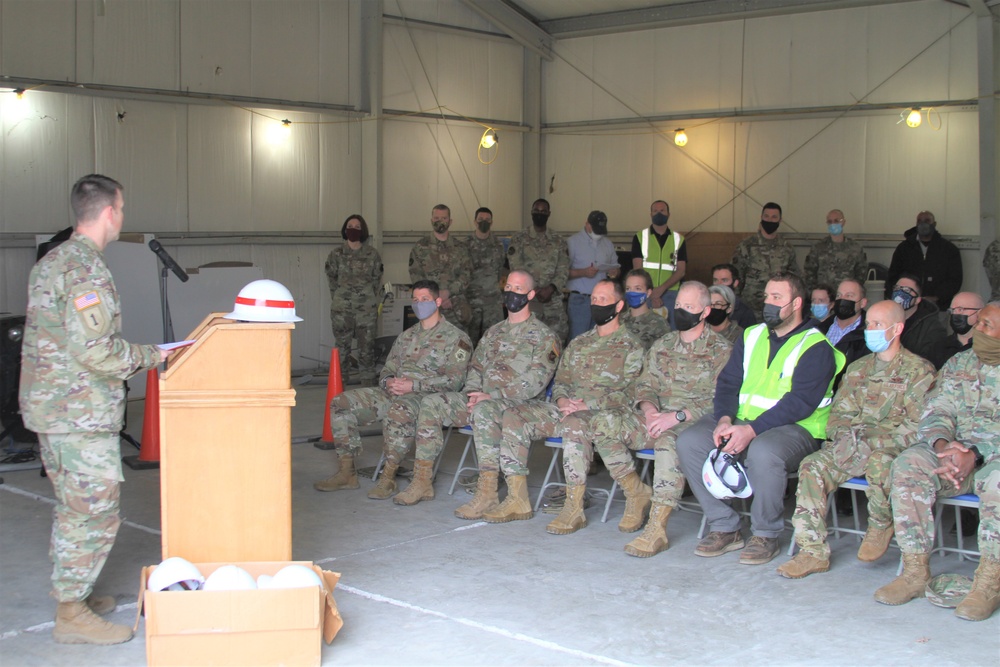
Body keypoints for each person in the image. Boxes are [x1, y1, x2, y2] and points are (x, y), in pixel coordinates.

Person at [19, 174, 170, 645]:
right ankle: (71, 611)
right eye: (121, 208)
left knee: (74, 507)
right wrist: (152, 355)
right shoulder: (85, 268)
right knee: (93, 512)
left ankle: (75, 595)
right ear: (110, 212)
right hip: (77, 414)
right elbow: (96, 351)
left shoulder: (54, 259)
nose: (122, 216)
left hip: (56, 408)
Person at [676, 272, 843, 565]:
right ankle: (724, 526)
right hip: (743, 420)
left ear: (796, 303)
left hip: (796, 428)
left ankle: (766, 534)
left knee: (765, 452)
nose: (768, 303)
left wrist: (750, 431)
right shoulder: (751, 335)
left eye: (777, 298)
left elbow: (800, 403)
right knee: (690, 440)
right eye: (766, 297)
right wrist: (725, 420)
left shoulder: (816, 346)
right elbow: (728, 383)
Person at [777, 300, 936, 578]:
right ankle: (812, 552)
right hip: (851, 445)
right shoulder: (859, 368)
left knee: (879, 462)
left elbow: (918, 426)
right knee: (812, 466)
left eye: (877, 324)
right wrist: (844, 436)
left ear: (897, 328)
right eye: (869, 323)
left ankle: (881, 522)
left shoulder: (919, 370)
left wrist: (871, 441)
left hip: (889, 450)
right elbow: (838, 414)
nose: (869, 329)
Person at [572, 282, 730, 555]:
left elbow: (720, 400)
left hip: (691, 422)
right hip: (655, 416)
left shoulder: (721, 350)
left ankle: (657, 528)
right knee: (602, 423)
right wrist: (649, 410)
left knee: (669, 444)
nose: (681, 311)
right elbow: (644, 385)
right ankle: (635, 490)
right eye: (678, 305)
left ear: (705, 312)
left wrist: (676, 416)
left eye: (688, 307)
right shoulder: (663, 344)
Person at [874, 302, 1000, 622]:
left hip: (992, 459)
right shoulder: (959, 363)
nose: (978, 330)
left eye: (987, 325)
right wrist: (944, 447)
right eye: (979, 323)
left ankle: (988, 583)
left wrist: (975, 453)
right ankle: (915, 573)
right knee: (908, 464)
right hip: (952, 455)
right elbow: (936, 412)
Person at [393, 271, 560, 510]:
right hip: (481, 399)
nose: (511, 293)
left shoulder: (544, 336)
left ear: (530, 295)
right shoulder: (493, 332)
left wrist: (490, 396)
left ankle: (487, 492)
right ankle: (422, 480)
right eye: (508, 287)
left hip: (520, 404)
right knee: (432, 403)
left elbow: (536, 381)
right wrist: (472, 393)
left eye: (518, 289)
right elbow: (476, 367)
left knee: (484, 410)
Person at [483, 280, 644, 525]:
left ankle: (574, 506)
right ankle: (518, 499)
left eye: (603, 299)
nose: (596, 303)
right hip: (569, 409)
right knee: (515, 415)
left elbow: (632, 391)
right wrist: (562, 400)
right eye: (594, 299)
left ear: (619, 305)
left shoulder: (632, 346)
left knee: (575, 424)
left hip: (606, 413)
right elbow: (561, 379)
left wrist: (587, 405)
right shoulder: (579, 343)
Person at [313, 280, 472, 498]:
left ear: (438, 301)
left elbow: (455, 381)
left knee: (400, 409)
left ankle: (388, 478)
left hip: (425, 398)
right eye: (415, 300)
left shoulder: (457, 338)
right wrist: (388, 381)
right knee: (341, 403)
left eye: (424, 299)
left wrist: (413, 385)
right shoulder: (406, 336)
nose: (419, 304)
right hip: (394, 391)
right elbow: (388, 367)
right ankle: (347, 472)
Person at [325, 214, 383, 384]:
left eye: (357, 227)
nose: (353, 229)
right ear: (344, 229)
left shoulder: (372, 255)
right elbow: (332, 281)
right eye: (350, 226)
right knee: (342, 351)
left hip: (366, 311)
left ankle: (368, 392)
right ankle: (339, 390)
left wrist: (365, 299)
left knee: (367, 351)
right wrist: (341, 300)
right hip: (342, 311)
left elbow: (376, 280)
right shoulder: (336, 255)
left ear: (363, 231)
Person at [508, 199, 570, 343]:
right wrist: (534, 289)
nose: (539, 214)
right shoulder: (519, 238)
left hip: (553, 302)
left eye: (543, 211)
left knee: (556, 343)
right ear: (531, 212)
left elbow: (563, 269)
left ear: (549, 214)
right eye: (536, 211)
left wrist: (551, 288)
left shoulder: (558, 241)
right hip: (528, 302)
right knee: (526, 343)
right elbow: (515, 267)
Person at [409, 204, 473, 335]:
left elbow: (466, 275)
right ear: (431, 220)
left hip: (456, 310)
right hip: (429, 309)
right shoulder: (420, 248)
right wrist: (437, 297)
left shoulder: (460, 248)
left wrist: (448, 293)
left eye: (444, 218)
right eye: (436, 218)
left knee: (458, 349)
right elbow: (416, 277)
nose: (440, 221)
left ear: (450, 221)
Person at [731, 203, 800, 318]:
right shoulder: (746, 246)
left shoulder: (786, 248)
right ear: (761, 217)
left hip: (777, 310)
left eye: (774, 217)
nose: (770, 220)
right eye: (766, 216)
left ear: (780, 220)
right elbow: (736, 276)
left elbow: (794, 278)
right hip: (750, 310)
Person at [885, 210, 963, 309]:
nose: (923, 224)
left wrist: (937, 297)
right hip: (908, 305)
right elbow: (893, 276)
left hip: (939, 306)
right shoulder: (904, 248)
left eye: (927, 221)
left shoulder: (949, 249)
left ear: (934, 224)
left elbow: (955, 280)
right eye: (920, 221)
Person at [567, 210, 621, 340]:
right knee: (578, 339)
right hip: (580, 300)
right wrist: (583, 272)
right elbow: (562, 272)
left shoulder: (607, 244)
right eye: (596, 230)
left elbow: (617, 267)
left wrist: (614, 272)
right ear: (587, 225)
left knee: (600, 338)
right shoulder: (572, 242)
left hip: (602, 301)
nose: (599, 234)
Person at [631, 199, 686, 323]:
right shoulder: (640, 237)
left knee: (671, 332)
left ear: (668, 214)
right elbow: (637, 269)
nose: (659, 213)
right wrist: (651, 292)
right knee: (645, 331)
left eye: (662, 210)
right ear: (650, 214)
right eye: (655, 211)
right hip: (645, 293)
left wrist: (661, 289)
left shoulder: (679, 239)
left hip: (671, 293)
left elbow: (681, 270)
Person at [465, 206, 508, 346]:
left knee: (493, 342)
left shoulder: (498, 245)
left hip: (492, 304)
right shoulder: (464, 246)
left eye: (487, 220)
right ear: (474, 221)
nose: (484, 222)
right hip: (471, 303)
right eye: (481, 219)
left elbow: (499, 270)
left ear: (492, 222)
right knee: (468, 343)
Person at [803, 209, 868, 290]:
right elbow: (809, 272)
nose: (833, 224)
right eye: (830, 222)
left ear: (843, 222)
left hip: (847, 295)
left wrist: (854, 291)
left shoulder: (855, 248)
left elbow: (861, 273)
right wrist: (814, 293)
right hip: (824, 295)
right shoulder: (818, 248)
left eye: (836, 221)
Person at [889, 273, 947, 361]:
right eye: (897, 288)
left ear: (918, 300)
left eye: (907, 290)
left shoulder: (932, 328)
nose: (899, 293)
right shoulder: (885, 318)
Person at [818, 279, 870, 373]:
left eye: (849, 295)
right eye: (839, 295)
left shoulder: (868, 334)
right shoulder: (819, 329)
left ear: (862, 303)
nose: (843, 299)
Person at [925, 291, 985, 370]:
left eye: (961, 309)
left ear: (980, 312)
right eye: (952, 310)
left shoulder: (990, 347)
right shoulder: (938, 347)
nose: (955, 314)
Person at [621, 269, 671, 349]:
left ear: (648, 292)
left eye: (638, 289)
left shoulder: (659, 324)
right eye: (628, 289)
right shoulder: (619, 320)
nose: (632, 292)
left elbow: (663, 355)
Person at [711, 263, 757, 328]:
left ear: (735, 283)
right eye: (715, 280)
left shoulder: (745, 313)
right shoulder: (705, 305)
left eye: (724, 280)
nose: (719, 284)